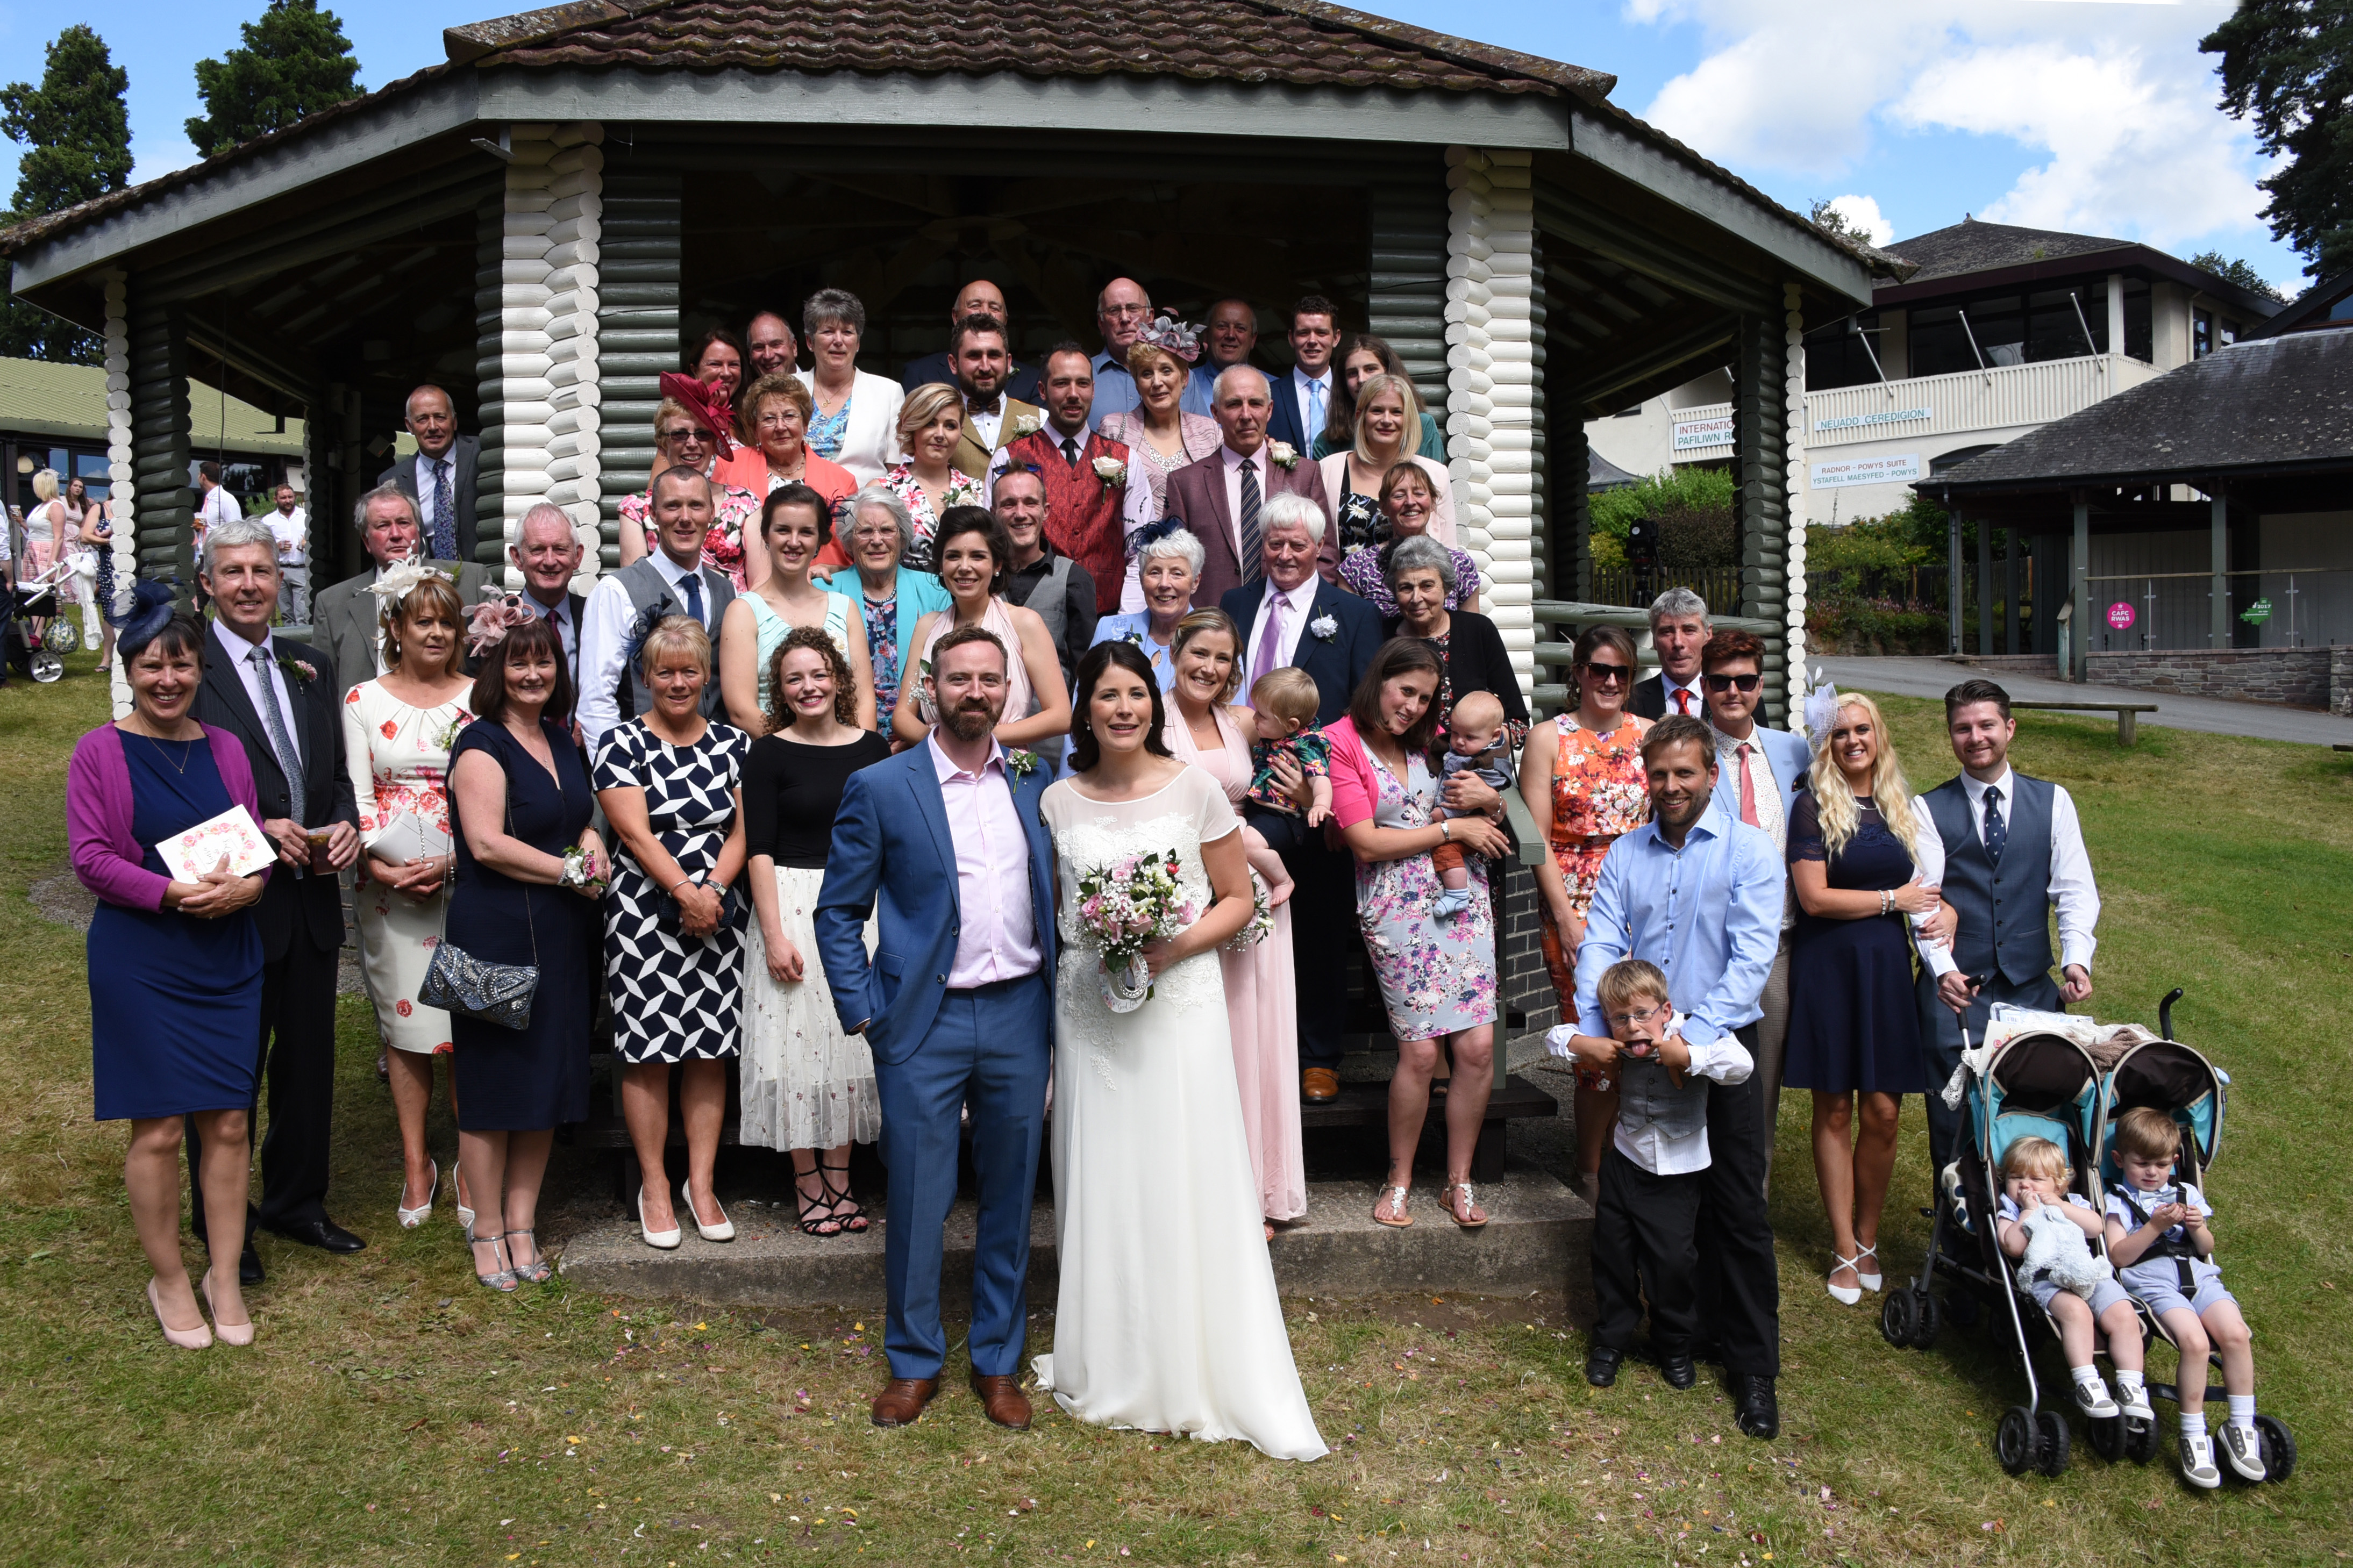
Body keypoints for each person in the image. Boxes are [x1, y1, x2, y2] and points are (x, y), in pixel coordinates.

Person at [1033, 639, 1325, 1459]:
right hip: (1092, 1012)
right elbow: (1064, 916)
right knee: (1105, 1173)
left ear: (1152, 705)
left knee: (1181, 1170)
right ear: (1085, 709)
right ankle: (1114, 1355)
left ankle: (1195, 1363)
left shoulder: (1195, 787)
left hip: (1178, 1007)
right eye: (1106, 696)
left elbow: (1242, 898)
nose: (1122, 708)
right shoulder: (1058, 800)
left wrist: (1168, 950)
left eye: (1135, 694)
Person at [813, 624, 1058, 1431]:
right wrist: (866, 1013)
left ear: (1008, 691)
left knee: (1012, 1193)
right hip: (923, 1017)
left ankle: (997, 1360)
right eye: (961, 680)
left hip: (1021, 1010)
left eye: (991, 680)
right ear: (931, 688)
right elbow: (839, 911)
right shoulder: (883, 787)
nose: (976, 693)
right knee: (919, 1195)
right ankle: (914, 1360)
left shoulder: (1035, 778)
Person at [1556, 713, 1786, 1439]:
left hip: (1718, 1044)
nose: (1671, 786)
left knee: (1739, 1210)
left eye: (1685, 773)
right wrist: (1600, 1034)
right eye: (1658, 774)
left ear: (1711, 775)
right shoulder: (1628, 854)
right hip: (1642, 1048)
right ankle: (1675, 1331)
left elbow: (1752, 959)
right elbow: (1601, 942)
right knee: (1659, 1204)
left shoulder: (1751, 852)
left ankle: (1751, 1366)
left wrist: (1691, 1035)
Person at [70, 587, 270, 1347]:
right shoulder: (99, 751)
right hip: (142, 958)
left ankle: (224, 1271)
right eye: (152, 664)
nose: (167, 679)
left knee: (226, 1120)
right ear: (130, 668)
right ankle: (169, 1277)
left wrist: (249, 887)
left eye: (180, 664)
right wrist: (173, 893)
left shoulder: (225, 747)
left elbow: (255, 848)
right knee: (156, 1129)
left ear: (199, 668)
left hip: (228, 956)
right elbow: (90, 859)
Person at [189, 517, 366, 1285]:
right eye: (234, 573)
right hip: (236, 900)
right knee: (231, 1070)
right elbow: (175, 788)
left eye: (262, 570)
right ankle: (226, 1223)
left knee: (306, 1063)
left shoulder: (310, 665)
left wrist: (349, 825)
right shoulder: (185, 668)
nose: (251, 585)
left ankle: (299, 1201)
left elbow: (331, 774)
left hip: (312, 897)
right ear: (209, 584)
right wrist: (258, 830)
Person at [1326, 637, 1511, 1229]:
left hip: (1463, 899)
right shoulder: (1340, 743)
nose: (1411, 705)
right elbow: (1365, 841)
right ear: (1379, 679)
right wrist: (1451, 828)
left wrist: (1492, 802)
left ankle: (1458, 1181)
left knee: (1478, 1049)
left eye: (1424, 697)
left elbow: (1489, 793)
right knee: (1419, 1051)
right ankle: (1400, 1177)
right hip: (1396, 907)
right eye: (1404, 690)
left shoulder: (1436, 747)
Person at [444, 613, 604, 1289]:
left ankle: (521, 1223)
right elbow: (483, 841)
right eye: (518, 663)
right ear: (495, 672)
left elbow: (585, 815)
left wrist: (593, 849)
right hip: (493, 937)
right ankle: (485, 1231)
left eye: (544, 662)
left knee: (545, 1084)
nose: (533, 674)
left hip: (564, 936)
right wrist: (567, 870)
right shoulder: (480, 744)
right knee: (490, 1090)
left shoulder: (562, 739)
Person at [595, 616, 750, 1250]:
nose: (678, 682)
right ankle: (655, 1185)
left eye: (690, 671)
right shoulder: (619, 743)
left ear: (707, 676)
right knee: (649, 1052)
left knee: (710, 1050)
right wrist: (685, 892)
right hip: (642, 914)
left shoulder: (736, 745)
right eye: (665, 671)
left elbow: (746, 829)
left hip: (720, 911)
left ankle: (702, 1183)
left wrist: (710, 892)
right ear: (646, 677)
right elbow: (634, 833)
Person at [1220, 495, 1381, 1107]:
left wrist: (1320, 786)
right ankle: (1246, 1054)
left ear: (1320, 549)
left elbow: (1362, 715)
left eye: (1297, 544)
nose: (1284, 555)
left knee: (1315, 929)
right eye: (1274, 543)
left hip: (1317, 793)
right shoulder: (1235, 604)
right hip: (1244, 786)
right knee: (1241, 923)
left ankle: (1317, 1058)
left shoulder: (1354, 613)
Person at [1784, 692, 1942, 1305]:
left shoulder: (1901, 805)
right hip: (1829, 966)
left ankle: (1870, 1236)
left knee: (1883, 1110)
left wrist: (1937, 909)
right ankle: (1843, 1245)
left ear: (1878, 735)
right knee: (1834, 1109)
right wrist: (1888, 902)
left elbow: (1929, 886)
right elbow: (1814, 898)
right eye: (1841, 731)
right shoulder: (1810, 805)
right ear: (1827, 741)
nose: (1853, 740)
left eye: (1863, 729)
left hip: (1884, 969)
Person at [1912, 678, 2100, 1186]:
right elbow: (1922, 905)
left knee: (2035, 1113)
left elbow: (2077, 890)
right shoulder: (1928, 808)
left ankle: (2032, 1232)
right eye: (1963, 728)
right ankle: (1956, 1240)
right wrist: (1946, 974)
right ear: (1951, 735)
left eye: (1986, 725)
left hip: (2030, 985)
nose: (1976, 737)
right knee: (1953, 1121)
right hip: (1954, 995)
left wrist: (2076, 958)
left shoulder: (2054, 801)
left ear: (2009, 728)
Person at [740, 626, 891, 1235]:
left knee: (850, 1043)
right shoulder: (769, 754)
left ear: (839, 678)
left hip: (860, 905)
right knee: (796, 1046)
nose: (809, 686)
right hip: (791, 903)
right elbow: (759, 848)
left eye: (818, 673)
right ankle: (807, 1179)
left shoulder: (874, 749)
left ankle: (841, 1174)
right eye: (794, 678)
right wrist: (774, 934)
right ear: (781, 690)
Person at [1162, 611, 1307, 1232]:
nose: (1210, 668)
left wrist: (1305, 795)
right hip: (1187, 891)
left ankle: (1251, 1190)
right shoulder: (1151, 713)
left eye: (1223, 659)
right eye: (1200, 653)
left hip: (1253, 896)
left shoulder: (1243, 721)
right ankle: (1192, 1192)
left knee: (1251, 1039)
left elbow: (1305, 763)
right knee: (1195, 1043)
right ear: (1176, 650)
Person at [340, 564, 475, 1232]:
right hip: (389, 886)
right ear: (395, 626)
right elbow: (360, 796)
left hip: (465, 873)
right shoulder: (363, 700)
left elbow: (491, 792)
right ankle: (417, 1161)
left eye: (447, 621)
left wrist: (457, 859)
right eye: (423, 620)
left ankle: (471, 1160)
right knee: (407, 1027)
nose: (436, 632)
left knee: (462, 1022)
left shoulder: (480, 697)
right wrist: (382, 867)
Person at [1550, 958, 1752, 1392]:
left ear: (1666, 1010)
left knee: (1673, 1264)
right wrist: (1586, 1045)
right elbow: (1556, 1037)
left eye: (1642, 1014)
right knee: (1612, 1254)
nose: (1633, 1026)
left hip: (1678, 1175)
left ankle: (1674, 1343)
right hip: (1624, 1163)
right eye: (1620, 1018)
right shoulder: (1612, 1037)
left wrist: (1690, 1055)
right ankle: (1612, 1337)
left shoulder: (1692, 1030)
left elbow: (1742, 1065)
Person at [1521, 625, 1652, 1194]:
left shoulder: (1649, 735)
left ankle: (1641, 1158)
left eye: (1619, 671)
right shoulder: (1548, 738)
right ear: (1576, 672)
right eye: (1596, 668)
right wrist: (1566, 918)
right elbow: (1536, 839)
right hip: (1572, 897)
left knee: (1644, 1024)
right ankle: (1593, 1167)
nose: (1607, 680)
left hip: (1641, 894)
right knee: (1594, 1036)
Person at [1699, 629, 1813, 1186]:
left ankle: (1752, 1197)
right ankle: (1696, 1196)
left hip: (1778, 943)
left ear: (1760, 685)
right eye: (1720, 681)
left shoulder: (1792, 750)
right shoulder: (1688, 751)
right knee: (1700, 1075)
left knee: (1761, 1080)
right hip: (1707, 944)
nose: (1732, 691)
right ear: (1704, 685)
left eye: (1744, 681)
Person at [2105, 1107, 2264, 1487]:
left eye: (2161, 1164)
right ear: (2119, 1160)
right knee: (2194, 1342)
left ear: (2174, 1161)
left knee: (2237, 1334)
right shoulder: (2119, 1200)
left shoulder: (2185, 1193)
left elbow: (2207, 1246)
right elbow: (2119, 1255)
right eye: (2141, 1163)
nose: (2151, 1172)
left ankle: (2241, 1426)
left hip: (2199, 1276)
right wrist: (2156, 1226)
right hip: (2153, 1281)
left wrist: (2198, 1228)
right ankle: (2194, 1432)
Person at [577, 467, 739, 754]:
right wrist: (615, 774)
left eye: (696, 506)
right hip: (645, 765)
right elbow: (596, 700)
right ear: (652, 514)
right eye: (672, 506)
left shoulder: (728, 592)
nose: (685, 518)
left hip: (716, 768)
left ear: (712, 512)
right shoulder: (617, 591)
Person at [1995, 1137, 2148, 1425]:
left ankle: (2131, 1384)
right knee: (2077, 1313)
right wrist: (2030, 1212)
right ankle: (2087, 1382)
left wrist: (2061, 1208)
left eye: (2037, 1179)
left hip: (2087, 1272)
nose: (2025, 1186)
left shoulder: (2072, 1202)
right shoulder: (2011, 1209)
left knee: (2123, 1313)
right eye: (2016, 1178)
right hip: (2046, 1278)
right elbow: (2013, 1246)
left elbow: (2095, 1228)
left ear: (2059, 1186)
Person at [894, 509, 1071, 755]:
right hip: (939, 760)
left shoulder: (1025, 624)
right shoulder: (927, 626)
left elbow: (1061, 716)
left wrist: (980, 738)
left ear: (997, 564)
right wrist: (939, 744)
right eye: (953, 556)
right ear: (942, 565)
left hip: (1006, 761)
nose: (964, 567)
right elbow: (902, 715)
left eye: (977, 557)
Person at [717, 484, 876, 734]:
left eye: (806, 532)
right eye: (783, 530)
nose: (794, 542)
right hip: (774, 755)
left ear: (820, 540)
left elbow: (864, 701)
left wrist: (850, 753)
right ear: (766, 536)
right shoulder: (744, 611)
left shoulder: (845, 608)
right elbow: (741, 710)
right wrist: (799, 752)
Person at [1167, 366, 1333, 605]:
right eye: (1234, 404)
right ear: (1215, 412)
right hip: (1213, 623)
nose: (1246, 415)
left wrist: (1303, 611)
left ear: (1269, 410)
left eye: (1255, 403)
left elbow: (1325, 555)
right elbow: (1174, 563)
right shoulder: (1185, 483)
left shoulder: (1304, 474)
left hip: (1289, 619)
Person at [313, 485, 493, 700]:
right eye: (383, 526)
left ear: (418, 530)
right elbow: (322, 690)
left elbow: (499, 660)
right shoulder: (332, 603)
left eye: (404, 523)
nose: (396, 535)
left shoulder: (469, 580)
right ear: (366, 541)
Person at [991, 344, 1131, 614]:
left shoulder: (1126, 459)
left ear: (1093, 389)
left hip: (1108, 613)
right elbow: (993, 539)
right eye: (1062, 384)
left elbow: (1138, 549)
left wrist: (1126, 618)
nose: (1073, 395)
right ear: (1043, 391)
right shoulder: (1007, 458)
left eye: (1082, 384)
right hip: (1029, 611)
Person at [1098, 319, 1222, 590]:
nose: (1157, 383)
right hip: (1132, 573)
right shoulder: (1114, 429)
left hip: (1196, 573)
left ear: (1185, 377)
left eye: (1166, 371)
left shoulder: (1210, 432)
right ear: (1136, 381)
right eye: (1146, 373)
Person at [616, 378, 766, 590]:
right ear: (662, 444)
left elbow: (762, 585)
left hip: (734, 618)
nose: (692, 443)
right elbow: (636, 589)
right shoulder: (636, 509)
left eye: (703, 434)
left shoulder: (745, 504)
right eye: (680, 434)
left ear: (715, 444)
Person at [1382, 535, 1525, 757]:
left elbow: (1518, 723)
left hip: (1471, 768)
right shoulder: (1380, 634)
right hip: (1395, 765)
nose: (1416, 598)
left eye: (1427, 585)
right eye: (1406, 588)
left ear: (1447, 589)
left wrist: (1473, 757)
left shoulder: (1478, 630)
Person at [819, 488, 952, 724]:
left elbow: (946, 673)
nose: (877, 541)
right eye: (865, 531)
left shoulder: (936, 590)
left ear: (903, 538)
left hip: (920, 731)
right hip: (842, 732)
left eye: (887, 530)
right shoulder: (822, 591)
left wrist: (914, 734)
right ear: (849, 540)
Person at [712, 372, 862, 571]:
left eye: (790, 416)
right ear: (755, 429)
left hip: (819, 587)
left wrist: (833, 569)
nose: (780, 427)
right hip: (750, 586)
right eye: (769, 419)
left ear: (806, 424)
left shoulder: (842, 480)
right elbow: (714, 536)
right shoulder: (730, 465)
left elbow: (854, 554)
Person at [1315, 373, 1456, 557]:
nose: (1387, 420)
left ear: (1408, 419)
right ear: (1360, 416)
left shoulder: (1436, 474)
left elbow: (1449, 551)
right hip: (1342, 584)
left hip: (1413, 584)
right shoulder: (1328, 469)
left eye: (1396, 412)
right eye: (1377, 411)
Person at [990, 466, 1097, 686]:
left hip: (1052, 718)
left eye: (1030, 503)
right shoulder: (981, 577)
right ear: (994, 513)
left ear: (1045, 511)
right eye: (1009, 504)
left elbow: (1085, 670)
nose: (1020, 514)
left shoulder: (1073, 579)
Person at [1338, 463, 1479, 620]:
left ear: (1433, 502)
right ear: (1384, 506)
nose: (1410, 502)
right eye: (1399, 496)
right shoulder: (1356, 566)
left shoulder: (1460, 564)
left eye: (1419, 494)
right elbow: (1350, 633)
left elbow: (1472, 632)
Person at [798, 288, 906, 485]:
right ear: (810, 342)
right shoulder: (790, 388)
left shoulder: (888, 392)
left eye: (847, 332)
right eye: (828, 331)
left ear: (857, 343)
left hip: (863, 508)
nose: (838, 341)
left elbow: (896, 472)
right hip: (797, 507)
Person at [880, 383, 986, 573]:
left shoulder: (979, 491)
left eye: (950, 426)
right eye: (930, 423)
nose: (940, 434)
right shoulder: (884, 491)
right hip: (907, 598)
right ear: (911, 426)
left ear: (961, 432)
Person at [1088, 522, 1201, 692]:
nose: (1164, 584)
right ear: (1141, 580)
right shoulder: (1108, 630)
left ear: (1195, 582)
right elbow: (1083, 706)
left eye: (1177, 573)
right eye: (1154, 572)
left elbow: (1233, 716)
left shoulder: (1216, 641)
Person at [1429, 690, 1512, 919]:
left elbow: (1467, 799)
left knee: (1446, 850)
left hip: (1471, 823)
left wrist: (1444, 813)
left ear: (1495, 735)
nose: (1459, 742)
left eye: (1470, 737)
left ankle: (1457, 894)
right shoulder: (1462, 749)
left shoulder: (1489, 764)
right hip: (1461, 825)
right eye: (1454, 733)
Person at [377, 386, 479, 564]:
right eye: (423, 419)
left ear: (454, 421)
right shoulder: (392, 481)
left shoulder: (482, 454)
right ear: (409, 425)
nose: (433, 427)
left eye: (440, 417)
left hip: (484, 582)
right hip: (427, 585)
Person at [900, 280, 1043, 404]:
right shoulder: (920, 373)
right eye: (975, 306)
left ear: (1005, 320)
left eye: (994, 308)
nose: (985, 313)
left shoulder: (1032, 380)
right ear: (955, 316)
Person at [1240, 665, 1331, 858]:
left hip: (1282, 818)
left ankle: (1282, 881)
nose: (1254, 717)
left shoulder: (1308, 745)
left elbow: (1321, 779)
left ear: (1291, 724)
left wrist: (1320, 805)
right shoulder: (1275, 732)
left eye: (1262, 715)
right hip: (1258, 810)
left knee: (1249, 845)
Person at [1311, 333, 1448, 461]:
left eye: (1370, 369)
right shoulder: (1328, 442)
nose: (1362, 379)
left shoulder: (1423, 426)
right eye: (1352, 373)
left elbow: (1432, 483)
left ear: (1388, 372)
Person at [946, 314, 1043, 480]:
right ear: (954, 364)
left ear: (1008, 362)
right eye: (974, 356)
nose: (985, 366)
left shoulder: (1042, 418)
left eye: (994, 355)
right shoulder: (934, 424)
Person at [508, 502, 588, 690]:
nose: (550, 561)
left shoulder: (597, 616)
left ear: (577, 556)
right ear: (518, 558)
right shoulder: (496, 625)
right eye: (538, 550)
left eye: (560, 549)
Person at [1263, 295, 1342, 455]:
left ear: (1336, 338)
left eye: (1321, 333)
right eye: (1304, 333)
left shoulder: (1350, 395)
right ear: (1291, 338)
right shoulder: (1267, 396)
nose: (1312, 340)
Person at [1630, 587, 1710, 720]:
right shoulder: (1631, 703)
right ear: (1654, 640)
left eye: (1689, 630)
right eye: (1667, 632)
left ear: (1708, 634)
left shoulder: (1733, 698)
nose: (1678, 643)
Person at [1085, 277, 1153, 427]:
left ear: (1150, 318)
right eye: (1114, 310)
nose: (1125, 318)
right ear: (1101, 323)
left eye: (1133, 308)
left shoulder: (1179, 375)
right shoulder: (1082, 375)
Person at [65, 474, 115, 671]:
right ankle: (106, 659)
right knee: (111, 613)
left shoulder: (133, 510)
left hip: (134, 565)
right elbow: (85, 536)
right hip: (108, 567)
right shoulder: (100, 508)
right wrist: (108, 542)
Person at [1181, 297, 1259, 417]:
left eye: (1240, 329)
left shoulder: (1274, 389)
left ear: (1253, 339)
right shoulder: (1182, 386)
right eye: (1222, 326)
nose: (1231, 335)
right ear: (1206, 335)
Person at [684, 326, 747, 432]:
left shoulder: (752, 419)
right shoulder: (680, 418)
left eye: (733, 365)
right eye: (715, 364)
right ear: (695, 371)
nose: (726, 373)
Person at [263, 484, 310, 625]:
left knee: (302, 613)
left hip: (300, 568)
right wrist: (276, 547)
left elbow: (317, 541)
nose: (288, 500)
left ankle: (303, 644)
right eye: (283, 498)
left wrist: (306, 545)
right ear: (275, 500)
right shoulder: (268, 521)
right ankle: (288, 644)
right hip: (280, 569)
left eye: (290, 497)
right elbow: (261, 546)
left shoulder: (305, 516)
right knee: (286, 614)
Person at [746, 310, 798, 383]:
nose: (768, 356)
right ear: (750, 355)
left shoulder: (817, 390)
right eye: (759, 347)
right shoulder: (748, 394)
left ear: (794, 347)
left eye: (776, 345)